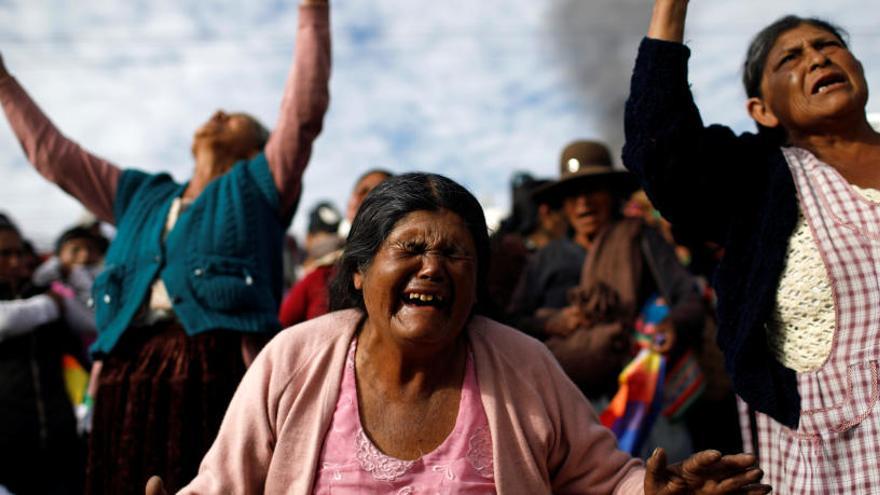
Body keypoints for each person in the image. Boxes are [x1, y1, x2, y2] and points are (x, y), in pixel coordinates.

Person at [148, 173, 769, 494]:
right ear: (360, 273)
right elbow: (223, 485)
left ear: (477, 283)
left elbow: (606, 477)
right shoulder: (296, 359)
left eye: (456, 254)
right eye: (410, 248)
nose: (432, 267)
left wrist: (657, 491)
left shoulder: (522, 364)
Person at [0, 0, 331, 491]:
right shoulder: (141, 194)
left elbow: (301, 115)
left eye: (234, 117)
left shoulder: (259, 187)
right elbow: (56, 157)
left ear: (254, 149)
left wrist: (312, 13)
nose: (216, 113)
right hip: (125, 379)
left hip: (214, 373)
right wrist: (3, 81)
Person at [624, 1, 880, 492]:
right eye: (791, 58)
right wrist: (671, 8)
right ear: (761, 110)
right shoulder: (758, 180)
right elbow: (661, 152)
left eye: (828, 45)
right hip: (843, 467)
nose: (817, 58)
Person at [0, 217, 85, 495]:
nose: (15, 262)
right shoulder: (47, 301)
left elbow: (90, 325)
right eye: (4, 254)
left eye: (19, 252)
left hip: (60, 442)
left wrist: (73, 274)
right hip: (8, 453)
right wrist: (49, 305)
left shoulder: (44, 291)